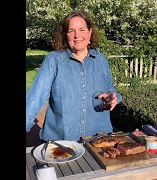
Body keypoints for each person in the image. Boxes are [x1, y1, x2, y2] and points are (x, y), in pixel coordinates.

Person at [26, 10, 122, 143]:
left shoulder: (101, 60)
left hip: (99, 140)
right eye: (71, 31)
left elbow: (111, 90)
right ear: (65, 35)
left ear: (90, 32)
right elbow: (35, 98)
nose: (77, 35)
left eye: (82, 29)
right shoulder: (54, 60)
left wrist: (113, 98)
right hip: (62, 144)